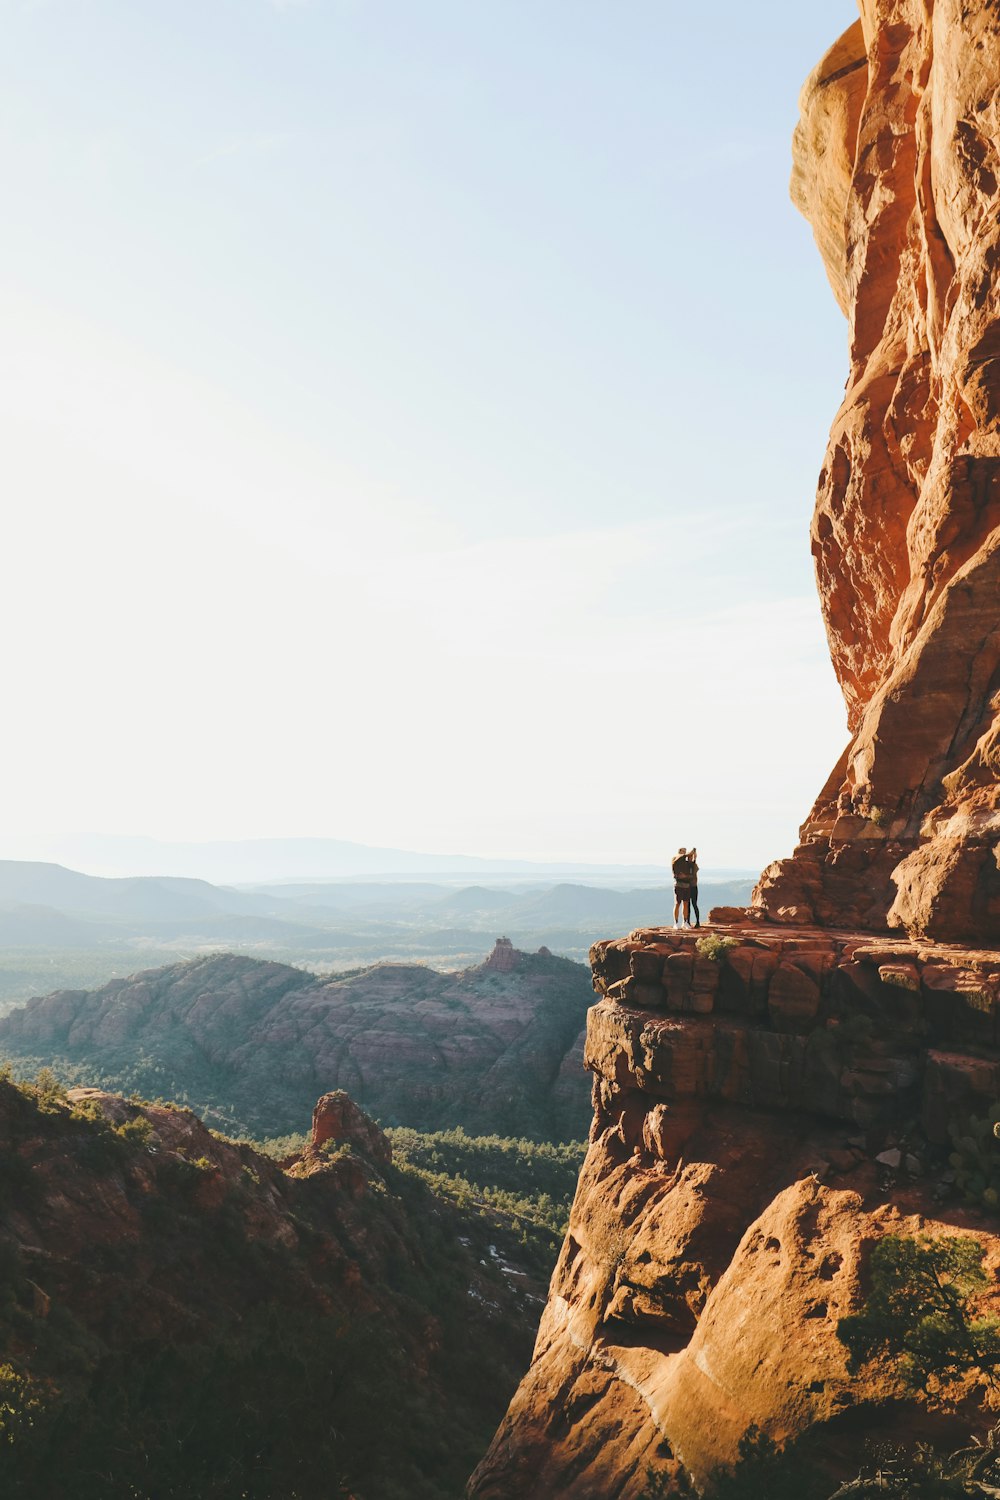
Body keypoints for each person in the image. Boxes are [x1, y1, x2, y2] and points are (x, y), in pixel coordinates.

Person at [671, 846, 695, 927]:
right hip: (679, 885)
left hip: (687, 885)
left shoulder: (686, 862)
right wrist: (689, 853)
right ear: (679, 851)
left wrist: (693, 856)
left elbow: (692, 867)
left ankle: (685, 922)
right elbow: (680, 857)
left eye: (685, 851)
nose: (685, 852)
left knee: (686, 903)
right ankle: (676, 923)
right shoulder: (675, 859)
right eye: (683, 851)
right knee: (677, 903)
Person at [688, 846, 700, 928]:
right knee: (688, 905)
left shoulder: (694, 865)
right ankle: (687, 921)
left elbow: (694, 861)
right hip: (688, 887)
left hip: (693, 887)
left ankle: (697, 922)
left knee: (694, 904)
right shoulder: (686, 866)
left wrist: (694, 853)